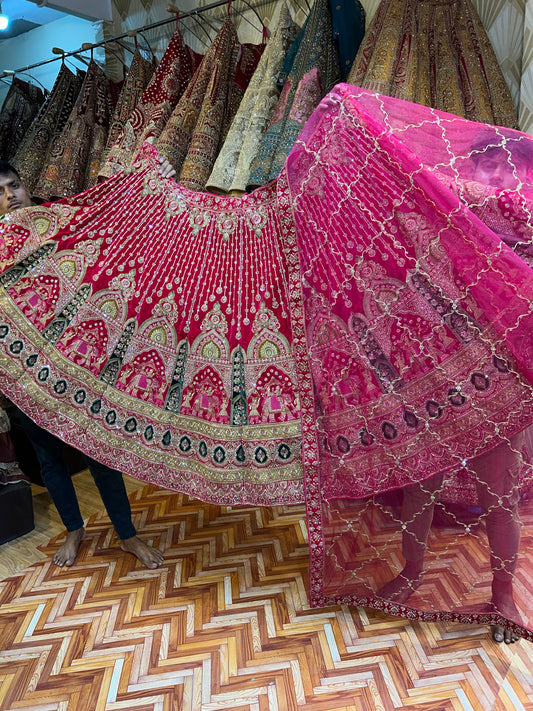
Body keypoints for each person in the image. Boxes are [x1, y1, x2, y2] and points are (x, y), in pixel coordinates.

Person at [0, 161, 164, 569]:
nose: (10, 196)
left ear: (26, 186)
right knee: (49, 459)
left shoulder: (60, 229)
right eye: (0, 192)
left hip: (78, 371)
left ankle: (128, 535)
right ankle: (74, 530)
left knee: (99, 455)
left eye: (14, 185)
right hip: (24, 378)